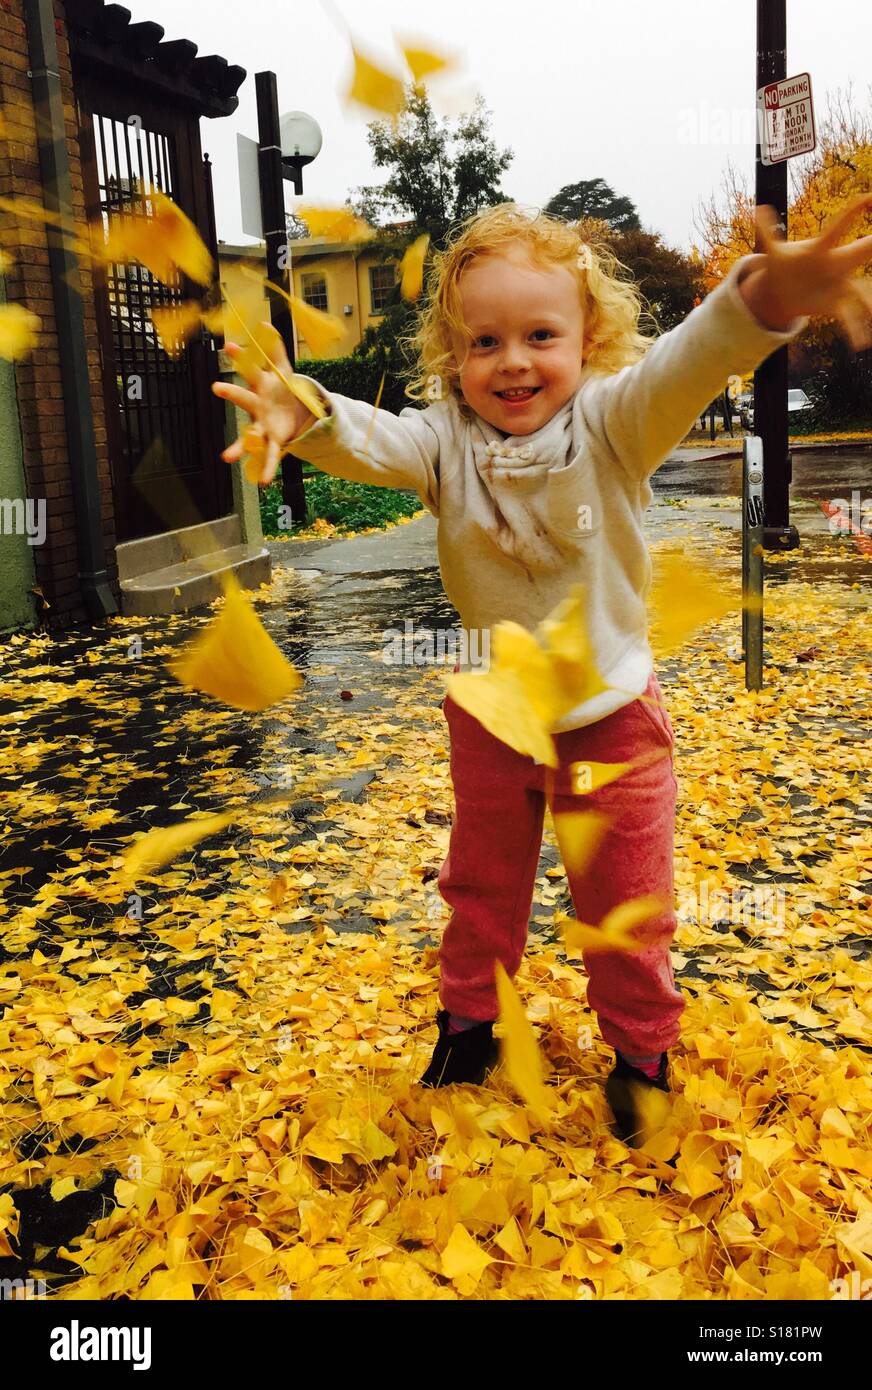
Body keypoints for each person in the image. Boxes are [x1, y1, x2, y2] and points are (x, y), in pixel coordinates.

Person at [213, 195, 872, 1146]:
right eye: (484, 342)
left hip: (610, 717)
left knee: (625, 899)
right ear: (453, 358)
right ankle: (470, 1021)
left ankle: (643, 1053)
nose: (512, 360)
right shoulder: (446, 442)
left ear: (587, 339)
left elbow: (690, 361)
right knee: (479, 886)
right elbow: (370, 436)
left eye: (539, 335)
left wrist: (760, 301)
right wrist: (306, 410)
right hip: (494, 716)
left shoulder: (614, 425)